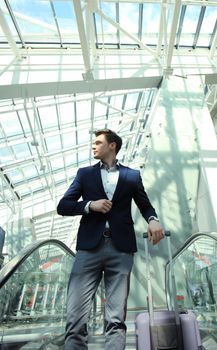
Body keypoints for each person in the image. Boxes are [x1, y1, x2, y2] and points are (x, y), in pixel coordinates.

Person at [57, 129, 164, 350]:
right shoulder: (84, 174)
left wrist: (153, 219)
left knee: (116, 319)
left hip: (121, 249)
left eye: (98, 142)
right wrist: (89, 205)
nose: (93, 146)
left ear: (112, 145)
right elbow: (63, 206)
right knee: (75, 318)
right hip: (89, 249)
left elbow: (145, 205)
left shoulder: (132, 175)